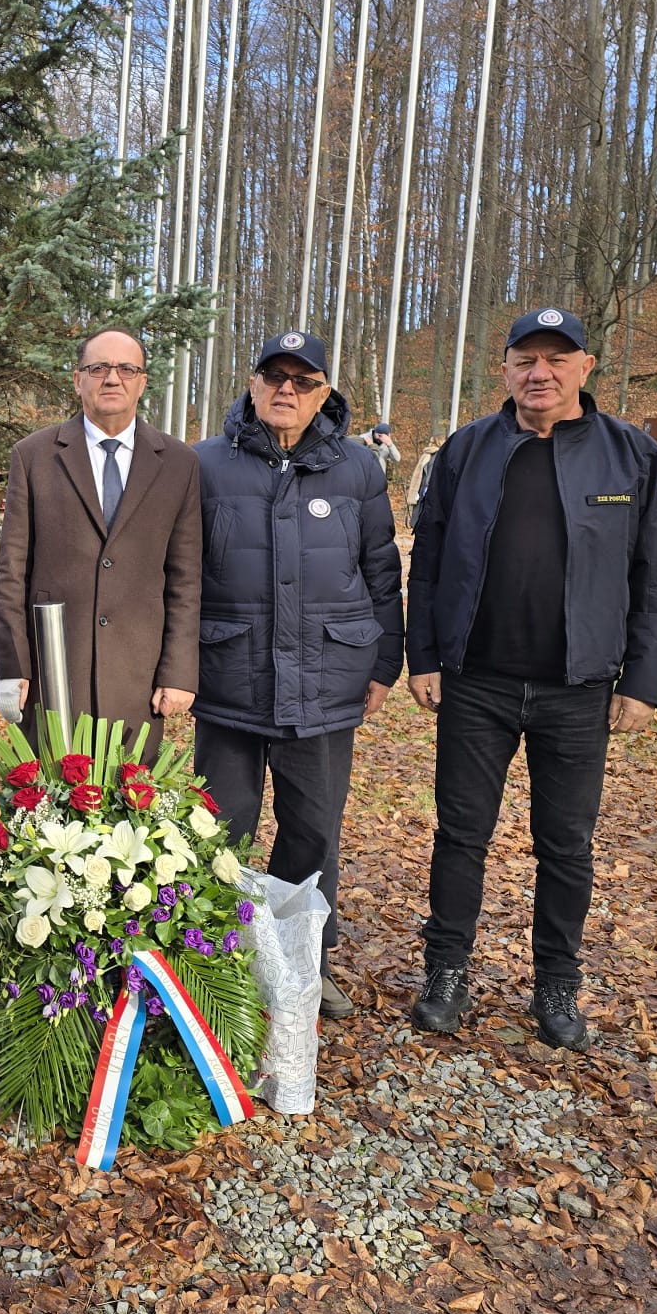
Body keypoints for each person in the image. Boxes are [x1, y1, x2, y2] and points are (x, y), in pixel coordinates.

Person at [405, 307, 657, 1051]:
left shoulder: (632, 457)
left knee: (566, 844)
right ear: (506, 369)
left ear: (585, 368)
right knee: (462, 835)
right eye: (526, 358)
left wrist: (642, 681)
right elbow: (427, 561)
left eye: (558, 359)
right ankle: (446, 974)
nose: (541, 373)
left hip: (578, 688)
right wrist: (423, 656)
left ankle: (556, 983)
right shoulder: (466, 451)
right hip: (477, 683)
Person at [193, 332, 402, 1019]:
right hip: (230, 678)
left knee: (313, 829)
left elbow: (379, 570)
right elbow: (180, 576)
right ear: (252, 385)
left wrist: (383, 659)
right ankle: (212, 966)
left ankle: (303, 963)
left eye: (301, 380)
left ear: (324, 392)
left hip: (325, 680)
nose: (286, 390)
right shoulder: (205, 466)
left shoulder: (358, 470)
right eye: (273, 377)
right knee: (220, 829)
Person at [0, 329, 201, 759]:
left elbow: (185, 578)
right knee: (48, 815)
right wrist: (12, 667)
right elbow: (13, 571)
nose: (112, 378)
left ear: (142, 382)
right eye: (98, 368)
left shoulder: (179, 463)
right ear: (78, 379)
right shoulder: (33, 456)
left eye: (127, 369)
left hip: (137, 681)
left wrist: (179, 670)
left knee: (128, 817)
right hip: (54, 675)